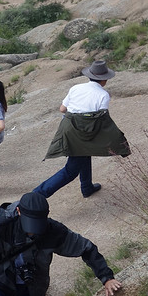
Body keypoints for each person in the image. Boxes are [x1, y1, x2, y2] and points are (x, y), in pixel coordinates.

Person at [34, 60, 130, 199]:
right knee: (70, 171)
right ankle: (37, 195)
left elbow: (62, 109)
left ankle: (87, 187)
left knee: (84, 152)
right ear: (104, 80)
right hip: (85, 133)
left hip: (69, 130)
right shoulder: (103, 95)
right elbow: (101, 119)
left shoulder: (75, 88)